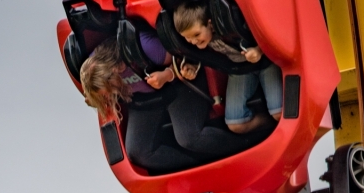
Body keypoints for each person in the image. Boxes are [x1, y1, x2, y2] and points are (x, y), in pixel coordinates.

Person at [79, 34, 272, 174]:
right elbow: (95, 88)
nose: (113, 94)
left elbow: (185, 58)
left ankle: (248, 146)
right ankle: (199, 167)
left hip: (178, 84)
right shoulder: (94, 71)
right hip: (146, 99)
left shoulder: (143, 48)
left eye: (111, 87)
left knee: (190, 137)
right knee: (138, 152)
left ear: (114, 69)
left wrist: (166, 75)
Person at [173, 0, 283, 135]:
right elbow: (200, 57)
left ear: (210, 24)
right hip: (240, 69)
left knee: (280, 113)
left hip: (266, 61)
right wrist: (193, 67)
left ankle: (278, 120)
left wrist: (259, 50)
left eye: (196, 35)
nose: (194, 41)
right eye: (187, 38)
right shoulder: (199, 44)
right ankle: (273, 127)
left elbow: (269, 30)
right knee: (236, 125)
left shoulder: (231, 25)